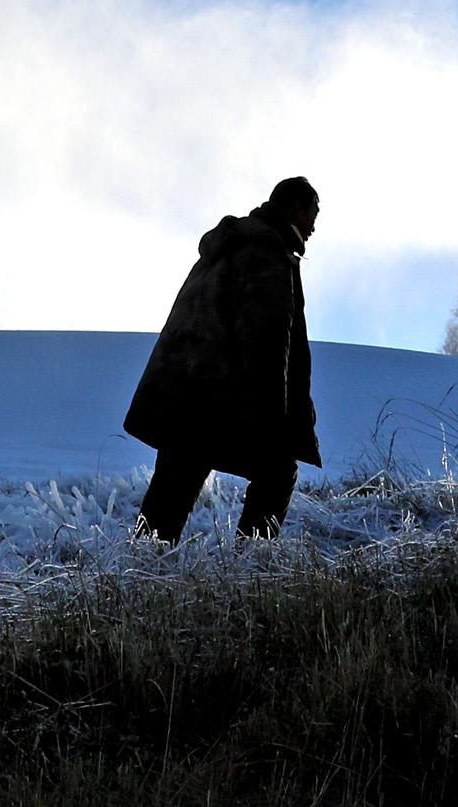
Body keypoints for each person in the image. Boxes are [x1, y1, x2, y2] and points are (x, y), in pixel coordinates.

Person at [123, 175, 320, 540]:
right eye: (314, 212)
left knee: (171, 487)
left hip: (184, 393)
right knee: (278, 470)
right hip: (220, 398)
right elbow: (266, 337)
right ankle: (251, 570)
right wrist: (273, 418)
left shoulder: (227, 246)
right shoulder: (267, 251)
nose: (315, 226)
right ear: (295, 207)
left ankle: (137, 570)